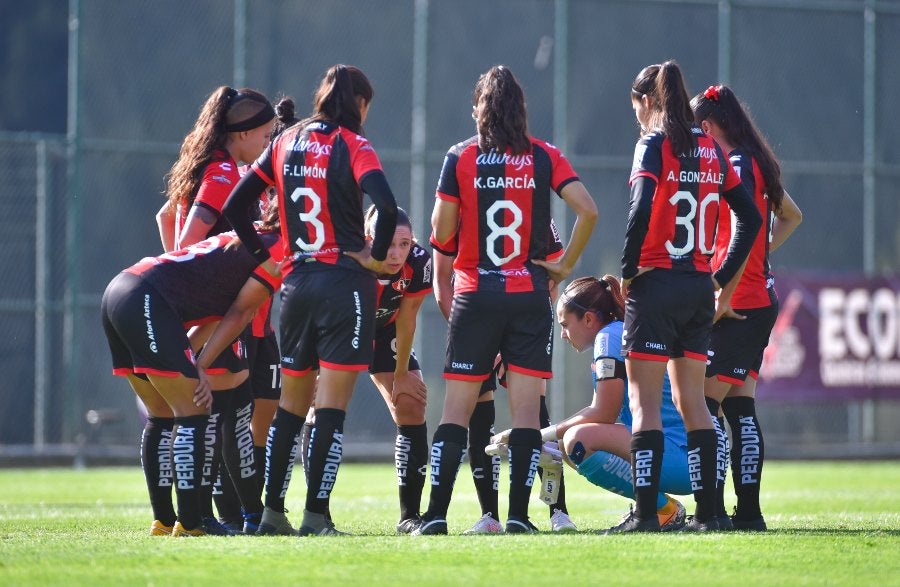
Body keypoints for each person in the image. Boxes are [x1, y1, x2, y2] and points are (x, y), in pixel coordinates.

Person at [417, 65, 597, 535]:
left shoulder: (460, 158)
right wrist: (564, 266)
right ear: (520, 109)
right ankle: (518, 516)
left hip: (475, 295)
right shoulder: (544, 156)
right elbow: (588, 210)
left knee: (455, 411)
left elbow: (441, 232)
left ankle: (435, 515)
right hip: (527, 297)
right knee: (524, 414)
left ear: (479, 109)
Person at [223, 64, 398, 536]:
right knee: (332, 410)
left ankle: (270, 513)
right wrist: (375, 259)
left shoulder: (284, 141)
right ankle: (316, 516)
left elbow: (236, 207)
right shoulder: (354, 144)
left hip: (296, 286)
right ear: (359, 104)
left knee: (290, 408)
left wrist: (267, 258)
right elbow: (385, 204)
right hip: (345, 287)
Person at [614, 60, 762, 533]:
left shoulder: (653, 144)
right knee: (694, 403)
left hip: (656, 283)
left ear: (647, 102)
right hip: (698, 287)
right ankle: (712, 513)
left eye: (636, 107)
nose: (636, 117)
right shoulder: (709, 148)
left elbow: (638, 211)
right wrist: (719, 275)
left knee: (644, 404)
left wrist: (627, 271)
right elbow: (752, 220)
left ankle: (644, 515)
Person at [101, 211, 283, 537]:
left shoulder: (252, 235)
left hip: (120, 289)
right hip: (146, 300)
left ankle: (164, 520)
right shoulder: (279, 248)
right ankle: (191, 522)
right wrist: (198, 366)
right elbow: (241, 312)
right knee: (194, 411)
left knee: (161, 413)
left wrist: (194, 363)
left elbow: (220, 315)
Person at [692, 84, 803, 531]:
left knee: (703, 406)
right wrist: (764, 252)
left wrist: (724, 294)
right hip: (763, 299)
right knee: (740, 408)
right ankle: (750, 512)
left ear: (705, 127)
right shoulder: (759, 160)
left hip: (736, 303)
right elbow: (791, 216)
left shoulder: (731, 165)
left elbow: (742, 232)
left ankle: (713, 513)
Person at [434, 223, 577, 534]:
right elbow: (441, 279)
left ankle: (558, 511)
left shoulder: (533, 204)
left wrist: (518, 340)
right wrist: (473, 340)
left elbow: (552, 274)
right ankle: (490, 516)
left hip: (523, 319)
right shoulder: (463, 205)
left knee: (535, 413)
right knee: (478, 415)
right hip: (473, 318)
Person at [545, 275, 689, 531]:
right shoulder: (615, 332)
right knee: (565, 443)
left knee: (575, 441)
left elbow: (604, 412)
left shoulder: (608, 338)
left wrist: (538, 434)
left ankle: (662, 510)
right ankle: (658, 507)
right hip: (685, 455)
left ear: (588, 318)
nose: (564, 335)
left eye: (565, 325)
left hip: (677, 454)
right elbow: (599, 413)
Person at [360, 205, 432, 534]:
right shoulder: (350, 257)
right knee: (318, 407)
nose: (396, 253)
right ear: (368, 238)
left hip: (385, 331)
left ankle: (409, 516)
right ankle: (314, 515)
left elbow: (407, 317)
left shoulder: (418, 262)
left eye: (403, 244)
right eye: (387, 244)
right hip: (341, 329)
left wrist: (401, 373)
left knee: (411, 405)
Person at [157, 86, 275, 252]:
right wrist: (185, 273)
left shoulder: (208, 160)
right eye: (266, 136)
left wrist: (172, 265)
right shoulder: (223, 174)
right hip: (198, 276)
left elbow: (164, 217)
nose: (267, 144)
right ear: (245, 133)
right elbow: (189, 241)